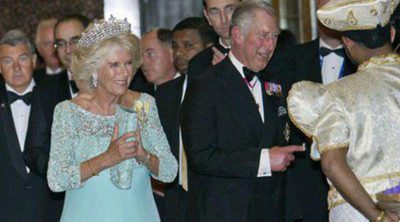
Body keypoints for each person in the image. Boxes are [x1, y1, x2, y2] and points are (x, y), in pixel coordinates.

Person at [181, 1, 304, 221]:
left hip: (271, 211)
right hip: (226, 212)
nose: (269, 46)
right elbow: (201, 156)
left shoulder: (276, 80)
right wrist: (264, 160)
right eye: (262, 36)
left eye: (274, 36)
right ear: (237, 35)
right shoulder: (205, 84)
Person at [47, 17, 178, 222]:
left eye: (128, 63)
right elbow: (56, 180)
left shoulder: (143, 104)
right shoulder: (67, 112)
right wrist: (107, 158)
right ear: (93, 69)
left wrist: (144, 156)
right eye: (114, 65)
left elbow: (169, 172)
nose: (124, 73)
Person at [287, 0, 400, 221]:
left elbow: (331, 163)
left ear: (347, 43)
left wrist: (378, 216)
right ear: (393, 34)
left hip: (357, 210)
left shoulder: (338, 94)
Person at [0, 29, 54, 222]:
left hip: (50, 210)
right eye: (7, 61)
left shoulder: (56, 97)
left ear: (33, 60)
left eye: (22, 59)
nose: (16, 67)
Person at [187, 0, 240, 83]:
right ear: (207, 17)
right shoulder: (198, 64)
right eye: (215, 12)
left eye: (230, 9)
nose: (224, 20)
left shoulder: (263, 52)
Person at [34, 18, 63, 83]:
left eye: (57, 42)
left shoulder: (77, 77)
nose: (54, 48)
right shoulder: (31, 80)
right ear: (39, 48)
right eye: (47, 43)